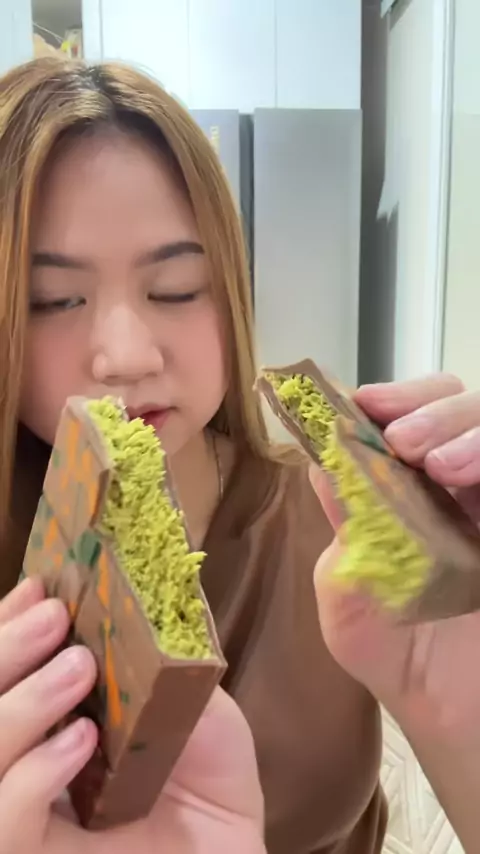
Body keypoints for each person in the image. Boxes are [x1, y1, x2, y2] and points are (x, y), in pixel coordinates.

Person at [0, 56, 479, 854]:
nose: (127, 355)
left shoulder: (331, 529)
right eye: (53, 300)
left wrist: (459, 709)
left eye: (178, 287)